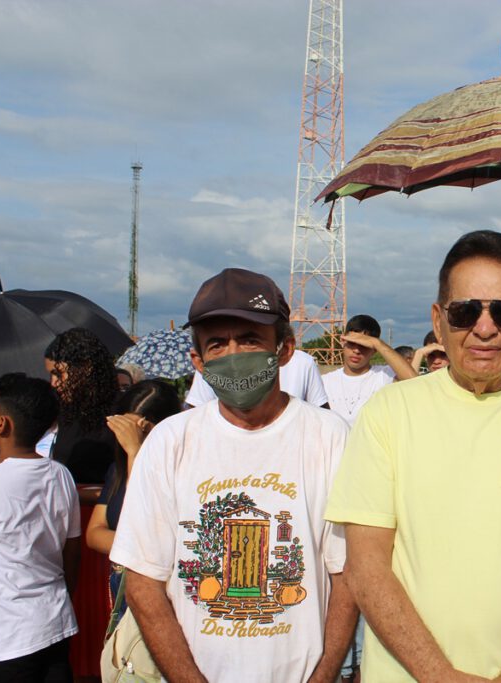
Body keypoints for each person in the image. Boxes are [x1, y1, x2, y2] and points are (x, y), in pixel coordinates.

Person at [325, 230, 501, 681]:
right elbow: (366, 568)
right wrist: (441, 676)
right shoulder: (388, 413)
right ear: (439, 320)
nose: (485, 328)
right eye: (465, 312)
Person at [109, 267, 356, 683]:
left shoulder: (330, 437)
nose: (234, 354)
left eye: (250, 339)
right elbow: (143, 582)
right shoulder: (170, 441)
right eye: (217, 344)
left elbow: (347, 575)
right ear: (198, 362)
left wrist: (323, 675)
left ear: (284, 349)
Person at [0, 373, 79, 682]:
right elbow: (72, 553)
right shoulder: (61, 475)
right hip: (55, 625)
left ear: (2, 424)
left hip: (0, 639)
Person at [86, 380, 182, 625]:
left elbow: (144, 526)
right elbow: (94, 533)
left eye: (142, 431)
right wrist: (132, 546)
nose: (131, 437)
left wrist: (135, 452)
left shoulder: (179, 471)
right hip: (123, 589)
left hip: (162, 594)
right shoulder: (117, 470)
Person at [45, 327, 120, 488]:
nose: (54, 383)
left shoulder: (121, 411)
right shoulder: (65, 411)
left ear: (85, 368)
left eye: (58, 373)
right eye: (51, 374)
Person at [321, 314, 416, 425]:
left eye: (364, 345)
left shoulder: (384, 375)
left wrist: (377, 343)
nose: (356, 350)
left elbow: (414, 381)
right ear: (343, 341)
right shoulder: (324, 381)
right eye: (352, 343)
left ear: (374, 350)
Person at [186, 347, 329, 408]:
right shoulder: (213, 364)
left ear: (286, 349)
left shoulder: (302, 363)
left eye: (250, 341)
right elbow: (195, 413)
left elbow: (321, 415)